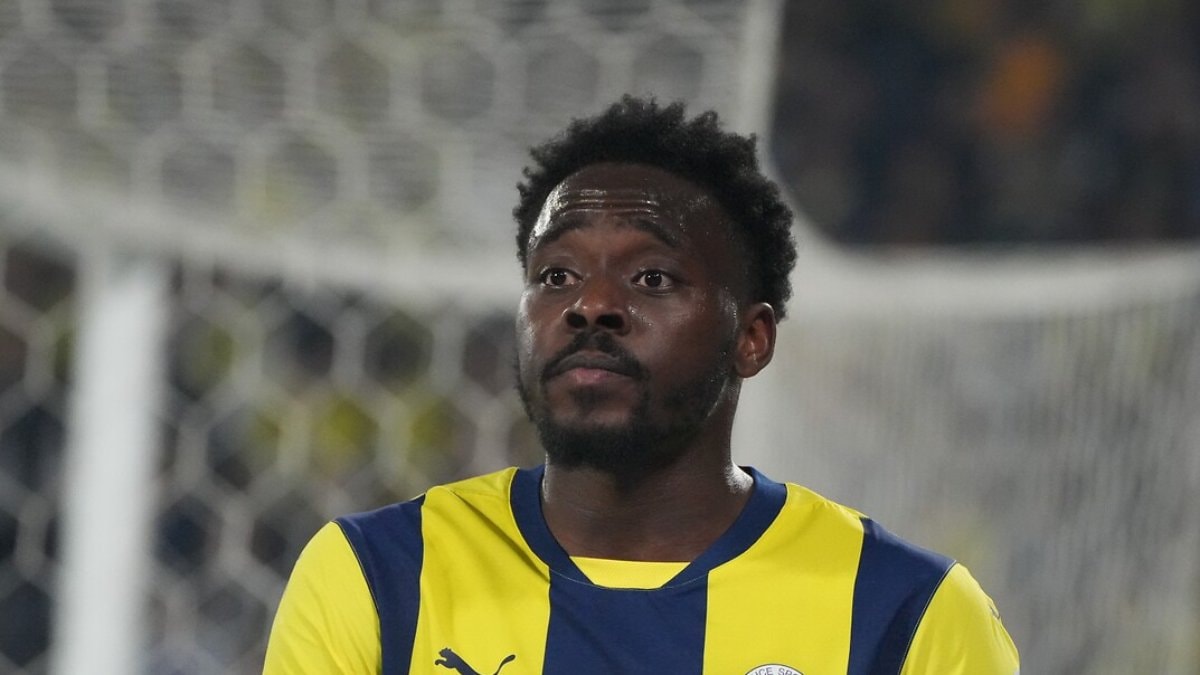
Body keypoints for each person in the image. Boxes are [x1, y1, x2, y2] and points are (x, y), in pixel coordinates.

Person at [263, 96, 1019, 674]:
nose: (590, 305)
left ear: (751, 339)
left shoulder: (906, 616)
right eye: (556, 276)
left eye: (652, 277)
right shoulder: (376, 577)